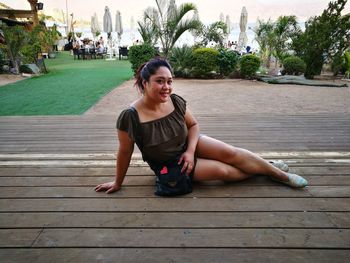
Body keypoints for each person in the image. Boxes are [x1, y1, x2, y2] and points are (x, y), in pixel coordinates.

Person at [95, 57, 308, 194]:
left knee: (231, 153)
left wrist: (190, 151)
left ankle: (280, 175)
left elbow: (194, 125)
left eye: (169, 81)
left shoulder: (174, 100)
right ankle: (265, 168)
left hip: (190, 144)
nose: (166, 87)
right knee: (224, 173)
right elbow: (124, 152)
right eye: (160, 81)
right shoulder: (130, 116)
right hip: (171, 163)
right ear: (145, 83)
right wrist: (117, 182)